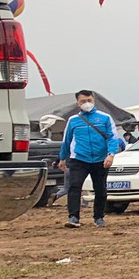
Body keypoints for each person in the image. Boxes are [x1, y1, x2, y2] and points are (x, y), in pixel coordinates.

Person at [58, 90, 120, 229]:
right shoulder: (73, 120)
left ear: (93, 101)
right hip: (79, 159)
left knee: (100, 189)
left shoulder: (105, 118)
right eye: (83, 101)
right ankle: (73, 217)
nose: (87, 103)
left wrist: (111, 154)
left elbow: (113, 137)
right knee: (74, 187)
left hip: (100, 159)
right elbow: (66, 140)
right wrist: (62, 158)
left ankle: (99, 217)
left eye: (89, 100)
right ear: (77, 103)